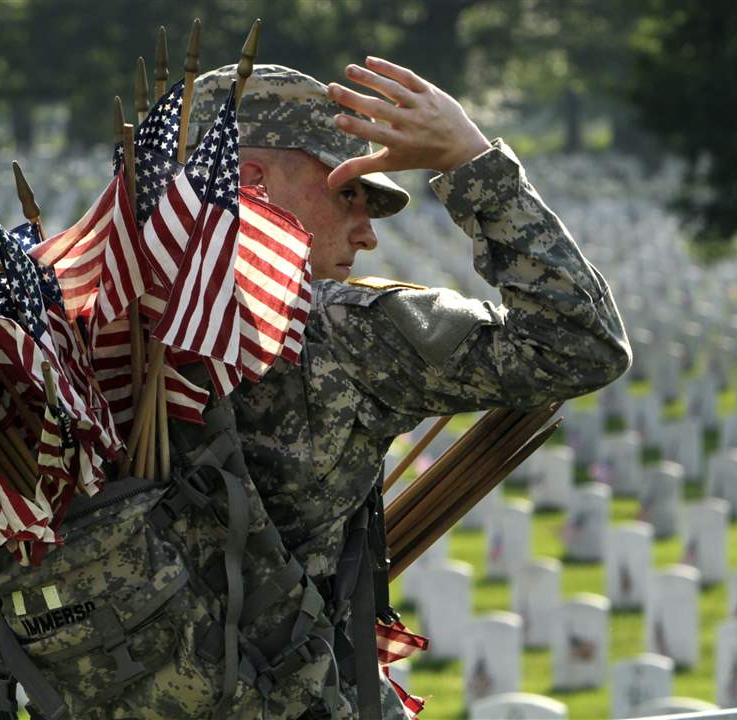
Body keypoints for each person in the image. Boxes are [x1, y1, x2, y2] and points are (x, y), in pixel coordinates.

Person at [185, 59, 632, 718]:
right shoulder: (340, 329)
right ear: (251, 182)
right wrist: (471, 160)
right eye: (347, 197)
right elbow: (579, 344)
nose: (366, 234)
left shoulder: (74, 326)